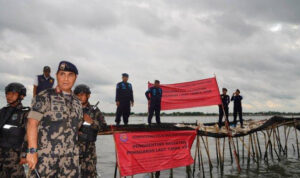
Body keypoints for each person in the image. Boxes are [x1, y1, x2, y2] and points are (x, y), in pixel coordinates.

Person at [26, 61, 83, 177]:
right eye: (62, 74)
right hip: (46, 161)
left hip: (70, 162)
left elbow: (77, 127)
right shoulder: (44, 96)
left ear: (75, 77)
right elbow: (32, 123)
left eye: (70, 75)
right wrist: (32, 152)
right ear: (57, 76)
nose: (66, 78)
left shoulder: (78, 102)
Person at [74, 84, 107, 178]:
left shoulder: (95, 110)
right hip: (72, 150)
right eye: (78, 95)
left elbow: (104, 126)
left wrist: (91, 122)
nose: (80, 97)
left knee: (89, 175)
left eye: (82, 95)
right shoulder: (71, 109)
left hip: (89, 150)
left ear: (88, 95)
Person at [0, 83, 29, 177]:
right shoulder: (2, 112)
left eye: (13, 93)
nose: (9, 96)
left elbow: (28, 135)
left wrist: (24, 155)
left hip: (15, 158)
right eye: (7, 93)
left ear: (21, 96)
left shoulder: (25, 113)